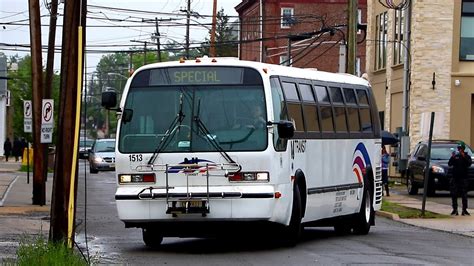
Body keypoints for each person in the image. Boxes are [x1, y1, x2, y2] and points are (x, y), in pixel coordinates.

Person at [448, 142, 471, 216]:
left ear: (463, 149)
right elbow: (450, 164)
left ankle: (464, 210)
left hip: (463, 178)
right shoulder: (456, 156)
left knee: (464, 194)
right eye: (459, 149)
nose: (459, 150)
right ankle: (455, 209)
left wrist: (464, 157)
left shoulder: (467, 156)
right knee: (454, 194)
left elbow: (469, 163)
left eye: (461, 149)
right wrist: (452, 157)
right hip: (455, 178)